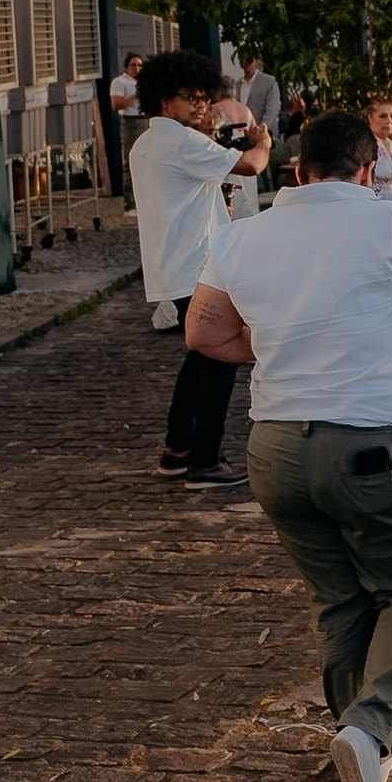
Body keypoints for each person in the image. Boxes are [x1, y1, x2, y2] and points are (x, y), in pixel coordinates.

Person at [185, 106, 392, 782]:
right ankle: (369, 729)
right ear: (369, 169)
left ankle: (363, 746)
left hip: (277, 449)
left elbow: (204, 333)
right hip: (374, 444)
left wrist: (285, 344)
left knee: (340, 600)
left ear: (297, 169)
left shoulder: (242, 235)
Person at [128, 48, 272, 488]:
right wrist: (263, 142)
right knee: (220, 360)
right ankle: (206, 460)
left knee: (200, 358)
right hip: (200, 266)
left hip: (174, 265)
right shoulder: (182, 142)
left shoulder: (146, 143)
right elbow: (250, 165)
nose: (200, 105)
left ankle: (178, 449)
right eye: (189, 98)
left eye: (203, 97)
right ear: (164, 99)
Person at [365, 95, 392, 204]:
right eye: (383, 116)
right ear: (371, 118)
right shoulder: (366, 144)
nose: (389, 121)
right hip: (376, 203)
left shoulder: (391, 144)